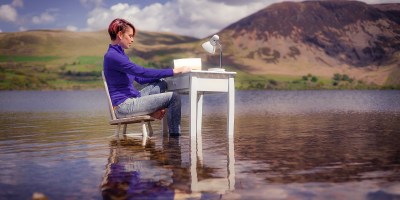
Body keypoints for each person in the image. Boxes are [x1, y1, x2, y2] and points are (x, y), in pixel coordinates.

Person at [103, 18, 191, 136]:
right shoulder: (113, 56)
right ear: (120, 34)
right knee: (174, 97)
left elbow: (140, 79)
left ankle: (153, 112)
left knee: (163, 83)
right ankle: (175, 140)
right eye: (130, 36)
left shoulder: (120, 55)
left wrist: (166, 75)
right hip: (124, 106)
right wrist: (173, 71)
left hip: (135, 98)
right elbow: (142, 72)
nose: (132, 40)